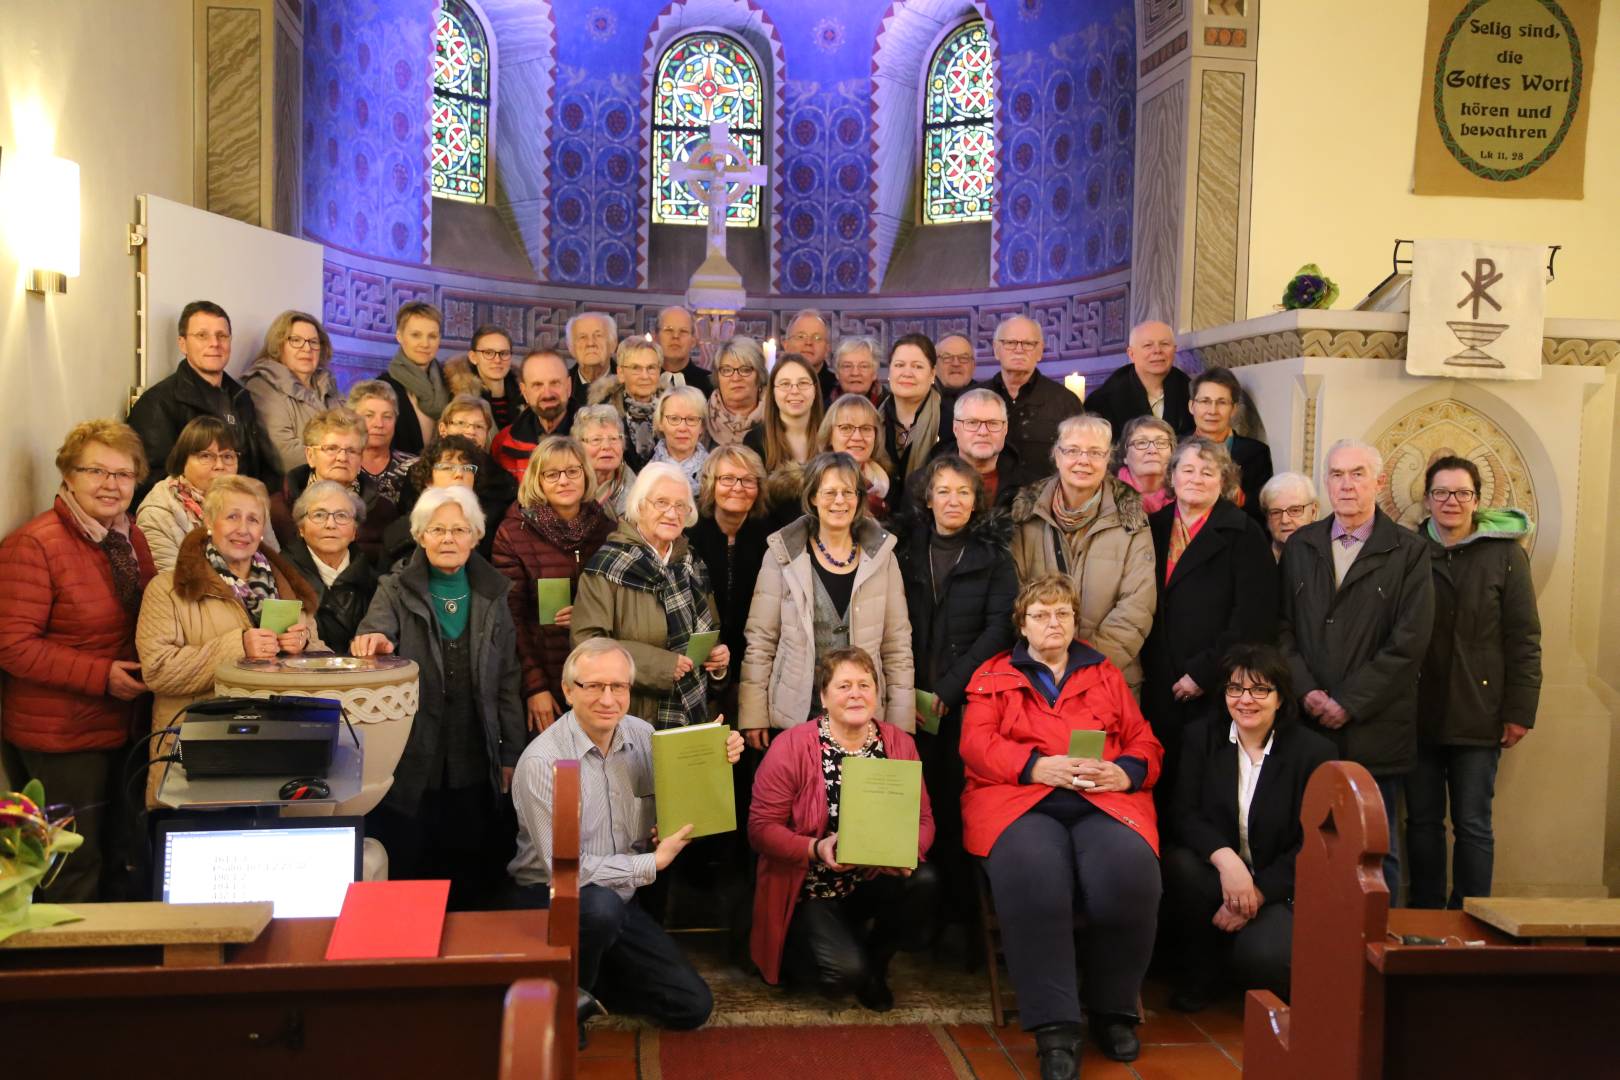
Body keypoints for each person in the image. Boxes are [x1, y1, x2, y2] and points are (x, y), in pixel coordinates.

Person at [960, 574, 1165, 1074]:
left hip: (1102, 801)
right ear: (1022, 624)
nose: (1053, 623)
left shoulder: (1105, 673)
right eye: (1041, 615)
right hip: (1018, 802)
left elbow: (1145, 742)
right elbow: (975, 745)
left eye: (1063, 614)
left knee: (1130, 877)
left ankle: (1113, 1010)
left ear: (1075, 621)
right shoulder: (992, 675)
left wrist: (1125, 771)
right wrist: (1034, 766)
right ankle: (1055, 1028)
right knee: (1036, 884)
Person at [506, 638, 741, 1041]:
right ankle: (566, 1002)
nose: (608, 699)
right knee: (598, 907)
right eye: (593, 686)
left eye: (618, 687)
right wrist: (652, 862)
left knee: (691, 1006)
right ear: (567, 690)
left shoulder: (641, 734)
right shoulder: (542, 762)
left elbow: (669, 800)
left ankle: (589, 979)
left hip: (620, 896)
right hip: (550, 897)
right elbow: (567, 870)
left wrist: (716, 756)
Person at [0, 421, 157, 902]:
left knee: (118, 858)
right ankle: (68, 975)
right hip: (61, 737)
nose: (111, 485)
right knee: (72, 868)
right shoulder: (35, 545)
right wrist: (101, 676)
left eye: (124, 474)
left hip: (120, 725)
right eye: (96, 471)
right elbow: (12, 645)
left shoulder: (129, 537)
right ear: (68, 475)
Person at [351, 485, 524, 909]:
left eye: (459, 529)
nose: (448, 538)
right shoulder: (393, 589)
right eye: (437, 529)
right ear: (420, 535)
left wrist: (510, 755)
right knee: (413, 860)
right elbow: (371, 636)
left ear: (475, 536)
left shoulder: (494, 594)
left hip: (474, 749)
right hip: (412, 754)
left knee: (469, 864)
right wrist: (370, 641)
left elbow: (507, 679)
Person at [1277, 439, 1435, 901]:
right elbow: (1281, 629)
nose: (1346, 485)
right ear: (1326, 482)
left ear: (1379, 482)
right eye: (1337, 475)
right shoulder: (1301, 545)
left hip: (1377, 727)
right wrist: (1306, 692)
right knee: (1311, 845)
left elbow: (1409, 643)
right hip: (1307, 726)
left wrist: (1350, 702)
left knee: (1376, 850)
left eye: (1358, 474)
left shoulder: (1409, 552)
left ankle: (1379, 959)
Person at [748, 646, 939, 1009]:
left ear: (877, 694)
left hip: (871, 879)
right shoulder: (791, 747)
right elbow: (760, 829)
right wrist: (815, 848)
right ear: (823, 696)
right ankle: (829, 955)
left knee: (925, 880)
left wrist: (906, 852)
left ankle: (876, 965)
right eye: (844, 686)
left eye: (865, 685)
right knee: (840, 977)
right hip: (812, 889)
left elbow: (924, 819)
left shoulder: (899, 744)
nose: (856, 694)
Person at [1165, 643, 1336, 1011]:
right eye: (1235, 688)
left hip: (1278, 886)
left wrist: (1256, 892)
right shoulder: (1202, 737)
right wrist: (1227, 862)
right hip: (1221, 875)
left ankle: (1241, 959)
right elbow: (1185, 814)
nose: (1246, 700)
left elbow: (1315, 843)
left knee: (1263, 958)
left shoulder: (1315, 753)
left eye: (1260, 689)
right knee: (1179, 865)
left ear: (1280, 698)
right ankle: (1203, 972)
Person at [1409, 456, 1541, 909]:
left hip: (1479, 713)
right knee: (1422, 824)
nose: (1451, 501)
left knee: (1473, 824)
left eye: (1462, 493)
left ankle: (1472, 918)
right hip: (1416, 713)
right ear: (1427, 500)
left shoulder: (1505, 555)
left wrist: (1519, 712)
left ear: (1477, 501)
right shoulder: (1408, 552)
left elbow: (1523, 638)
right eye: (1441, 492)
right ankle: (1425, 920)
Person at [137, 475, 320, 804]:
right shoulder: (167, 589)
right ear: (208, 521)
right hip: (196, 752)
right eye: (232, 516)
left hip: (274, 749)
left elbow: (321, 663)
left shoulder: (289, 587)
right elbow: (157, 670)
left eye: (254, 519)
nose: (244, 529)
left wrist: (303, 647)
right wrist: (238, 648)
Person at [896, 456, 1017, 924]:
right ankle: (914, 912)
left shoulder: (994, 557)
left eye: (963, 493)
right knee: (910, 804)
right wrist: (913, 688)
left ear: (976, 501)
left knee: (952, 805)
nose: (953, 501)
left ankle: (956, 918)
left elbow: (998, 630)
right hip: (909, 697)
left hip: (967, 704)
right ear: (928, 498)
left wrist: (949, 687)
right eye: (943, 491)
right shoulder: (905, 550)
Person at [740, 453, 913, 749]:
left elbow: (897, 645)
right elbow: (761, 640)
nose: (839, 501)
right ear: (813, 497)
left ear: (859, 499)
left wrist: (900, 722)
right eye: (829, 492)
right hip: (796, 713)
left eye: (848, 492)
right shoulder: (782, 555)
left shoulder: (883, 558)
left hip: (863, 717)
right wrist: (753, 713)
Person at [1143, 437, 1279, 804]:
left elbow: (1254, 617)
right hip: (1154, 678)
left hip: (1214, 686)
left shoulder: (1244, 533)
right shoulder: (1150, 527)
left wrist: (1204, 674)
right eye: (1187, 469)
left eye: (1208, 472)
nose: (1196, 478)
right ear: (1172, 476)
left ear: (1225, 479)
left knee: (1201, 792)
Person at [572, 462, 728, 728]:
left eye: (681, 506)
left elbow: (709, 631)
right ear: (639, 505)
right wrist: (661, 666)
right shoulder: (606, 566)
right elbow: (587, 646)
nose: (672, 513)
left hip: (692, 714)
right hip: (629, 718)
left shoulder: (692, 563)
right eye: (661, 502)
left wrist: (718, 660)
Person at [1009, 415, 1156, 693]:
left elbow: (1138, 604)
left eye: (1095, 452)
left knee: (1097, 739)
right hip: (1037, 675)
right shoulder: (1025, 515)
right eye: (1073, 450)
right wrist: (1048, 658)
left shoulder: (1132, 520)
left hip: (1109, 676)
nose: (1083, 460)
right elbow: (1013, 592)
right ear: (1056, 455)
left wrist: (1086, 664)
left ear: (1108, 459)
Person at [490, 436, 615, 733]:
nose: (564, 481)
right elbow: (511, 618)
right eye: (552, 474)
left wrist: (590, 615)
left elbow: (623, 604)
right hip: (543, 675)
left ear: (586, 475)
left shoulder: (608, 530)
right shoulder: (513, 533)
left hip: (598, 676)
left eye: (573, 471)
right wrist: (534, 688)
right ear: (538, 480)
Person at [127, 299, 275, 497]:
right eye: (202, 335)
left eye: (222, 336)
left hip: (243, 508)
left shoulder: (241, 397)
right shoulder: (157, 403)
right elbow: (147, 481)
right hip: (189, 517)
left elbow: (254, 464)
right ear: (183, 344)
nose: (214, 344)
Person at [687, 446, 772, 705]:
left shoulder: (770, 536)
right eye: (727, 479)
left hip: (755, 666)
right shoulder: (688, 533)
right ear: (710, 485)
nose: (738, 487)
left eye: (748, 480)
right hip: (698, 662)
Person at [269, 408, 398, 560]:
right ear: (310, 455)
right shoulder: (277, 509)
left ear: (361, 459)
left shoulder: (383, 511)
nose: (342, 457)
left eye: (351, 451)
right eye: (331, 449)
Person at [279, 480, 379, 653]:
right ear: (301, 528)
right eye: (319, 515)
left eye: (341, 515)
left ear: (355, 531)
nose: (330, 524)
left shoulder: (376, 582)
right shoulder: (280, 575)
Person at [242, 310, 343, 473]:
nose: (307, 348)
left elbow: (354, 439)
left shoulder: (328, 384)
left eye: (314, 342)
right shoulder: (261, 386)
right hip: (293, 490)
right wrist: (343, 458)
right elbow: (285, 455)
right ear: (278, 345)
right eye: (296, 340)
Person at [134, 416, 240, 572]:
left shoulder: (247, 499)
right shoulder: (156, 514)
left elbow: (271, 562)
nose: (219, 465)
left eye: (227, 456)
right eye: (206, 456)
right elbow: (171, 587)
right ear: (182, 461)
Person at [388, 435, 515, 563]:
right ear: (428, 478)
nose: (459, 474)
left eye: (467, 468)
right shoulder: (400, 535)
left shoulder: (496, 527)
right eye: (448, 467)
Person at [983, 314, 1083, 475]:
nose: (1019, 349)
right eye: (1010, 343)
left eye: (1028, 344)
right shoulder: (974, 399)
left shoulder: (1065, 402)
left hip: (1044, 497)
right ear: (996, 349)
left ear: (1040, 351)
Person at [913, 389, 1032, 513]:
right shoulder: (921, 483)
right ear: (955, 428)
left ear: (1005, 429)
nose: (983, 432)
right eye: (972, 423)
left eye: (993, 423)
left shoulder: (1030, 488)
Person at [743, 355, 825, 523]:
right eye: (785, 384)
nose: (794, 391)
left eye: (803, 383)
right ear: (772, 392)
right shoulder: (754, 441)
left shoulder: (832, 437)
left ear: (815, 389)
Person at [1083, 319, 1194, 439]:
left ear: (1174, 350)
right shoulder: (1103, 400)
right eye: (1148, 345)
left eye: (1165, 344)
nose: (1157, 351)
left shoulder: (1190, 391)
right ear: (1131, 354)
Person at [1188, 367, 1272, 523]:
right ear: (1191, 406)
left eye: (1221, 403)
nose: (1212, 411)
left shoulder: (1256, 453)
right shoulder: (1173, 447)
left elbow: (1262, 511)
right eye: (1205, 401)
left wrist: (1240, 500)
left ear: (1233, 409)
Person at [491, 349, 576, 482]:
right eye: (537, 385)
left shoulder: (595, 440)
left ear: (569, 386)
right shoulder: (503, 443)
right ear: (524, 392)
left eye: (555, 383)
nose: (547, 394)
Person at [378, 300, 449, 455]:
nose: (425, 343)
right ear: (399, 336)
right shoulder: (383, 387)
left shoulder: (451, 382)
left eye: (432, 336)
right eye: (416, 335)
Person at [591, 338, 671, 472]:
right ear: (621, 373)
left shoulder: (674, 412)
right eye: (636, 368)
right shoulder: (599, 415)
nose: (645, 376)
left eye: (651, 368)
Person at [877, 333, 948, 487]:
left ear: (932, 374)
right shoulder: (872, 419)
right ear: (889, 371)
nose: (907, 373)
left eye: (917, 366)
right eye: (899, 365)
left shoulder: (951, 421)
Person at [819, 394, 894, 520]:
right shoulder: (812, 485)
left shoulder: (891, 488)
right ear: (829, 435)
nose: (857, 437)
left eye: (866, 429)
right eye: (846, 428)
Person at [348, 380, 418, 505]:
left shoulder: (415, 467)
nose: (379, 424)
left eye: (387, 417)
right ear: (352, 419)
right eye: (369, 415)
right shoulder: (340, 463)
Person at [445, 324, 522, 431]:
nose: (497, 360)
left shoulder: (526, 396)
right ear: (473, 357)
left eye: (504, 353)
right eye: (488, 353)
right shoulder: (459, 399)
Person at [573, 405, 636, 518]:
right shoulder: (565, 486)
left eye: (613, 439)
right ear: (578, 446)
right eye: (596, 439)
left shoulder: (640, 492)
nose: (606, 446)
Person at [705, 336, 767, 448]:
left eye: (745, 370)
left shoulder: (776, 416)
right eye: (726, 370)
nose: (736, 378)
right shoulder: (699, 418)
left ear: (759, 376)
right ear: (717, 377)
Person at [649, 386, 710, 498]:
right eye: (674, 419)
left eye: (691, 419)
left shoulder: (715, 473)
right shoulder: (647, 476)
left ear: (702, 426)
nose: (682, 428)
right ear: (660, 423)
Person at [1114, 415, 1177, 514]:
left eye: (1161, 443)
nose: (1152, 450)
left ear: (1173, 453)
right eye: (1141, 443)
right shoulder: (1106, 497)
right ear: (1125, 455)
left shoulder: (1188, 495)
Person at [1259, 471, 1319, 560]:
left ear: (1313, 512)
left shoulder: (1328, 560)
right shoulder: (1253, 559)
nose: (1285, 520)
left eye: (1295, 510)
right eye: (1276, 512)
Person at [655, 305, 712, 395]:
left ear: (693, 340)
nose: (675, 336)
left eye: (683, 331)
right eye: (669, 330)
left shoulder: (710, 384)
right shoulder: (644, 382)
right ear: (656, 337)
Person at [783, 309, 838, 401]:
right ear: (786, 345)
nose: (808, 343)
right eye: (801, 336)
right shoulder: (773, 385)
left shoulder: (838, 390)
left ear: (827, 348)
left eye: (817, 338)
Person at [566, 311, 617, 405]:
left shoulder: (630, 385)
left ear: (613, 344)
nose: (590, 343)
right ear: (571, 348)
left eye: (598, 335)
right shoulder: (561, 387)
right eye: (582, 337)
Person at [833, 337, 883, 406]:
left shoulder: (890, 408)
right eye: (847, 366)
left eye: (863, 366)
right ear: (837, 373)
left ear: (874, 373)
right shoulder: (822, 408)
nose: (855, 373)